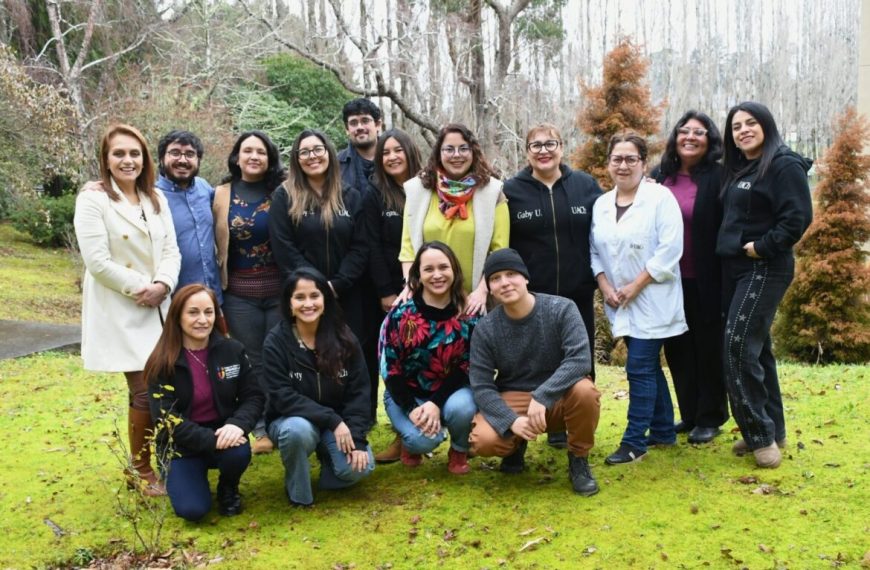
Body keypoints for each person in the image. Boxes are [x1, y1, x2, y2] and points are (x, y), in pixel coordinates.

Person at [74, 124, 181, 496]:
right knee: (143, 389)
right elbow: (97, 261)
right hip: (122, 308)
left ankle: (170, 458)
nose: (128, 160)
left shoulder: (156, 199)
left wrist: (164, 285)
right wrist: (143, 288)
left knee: (164, 386)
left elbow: (172, 250)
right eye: (119, 153)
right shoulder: (93, 200)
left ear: (145, 159)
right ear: (105, 159)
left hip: (159, 308)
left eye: (134, 153)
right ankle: (142, 470)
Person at [717, 101, 812, 469]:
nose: (743, 130)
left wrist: (762, 247)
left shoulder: (783, 165)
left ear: (767, 126)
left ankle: (759, 435)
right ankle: (774, 429)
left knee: (737, 347)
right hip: (737, 269)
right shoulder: (741, 167)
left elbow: (797, 218)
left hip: (764, 266)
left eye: (750, 123)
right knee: (758, 349)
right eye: (736, 126)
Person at [468, 248, 602, 496]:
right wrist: (511, 421)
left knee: (585, 391)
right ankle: (515, 445)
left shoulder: (561, 309)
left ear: (525, 278)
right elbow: (481, 385)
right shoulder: (486, 329)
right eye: (495, 278)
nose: (505, 283)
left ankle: (579, 459)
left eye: (511, 274)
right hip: (515, 395)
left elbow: (580, 360)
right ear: (490, 287)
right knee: (484, 441)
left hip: (560, 394)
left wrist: (543, 396)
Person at [503, 123, 603, 449]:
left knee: (579, 361)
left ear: (562, 147)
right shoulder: (512, 191)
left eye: (550, 144)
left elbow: (613, 219)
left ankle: (571, 428)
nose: (544, 150)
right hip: (534, 299)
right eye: (536, 145)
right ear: (527, 151)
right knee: (536, 362)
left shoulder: (586, 186)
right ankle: (525, 432)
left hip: (578, 295)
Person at [590, 131, 687, 465]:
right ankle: (662, 430)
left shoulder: (660, 199)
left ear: (644, 163)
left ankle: (634, 442)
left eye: (631, 158)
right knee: (647, 367)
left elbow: (670, 251)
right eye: (617, 158)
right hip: (619, 301)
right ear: (608, 164)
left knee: (639, 367)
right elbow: (594, 251)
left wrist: (636, 285)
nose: (623, 165)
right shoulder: (602, 204)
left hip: (652, 299)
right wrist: (604, 286)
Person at [145, 285, 264, 521]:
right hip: (182, 446)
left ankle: (228, 488)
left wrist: (237, 425)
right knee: (193, 510)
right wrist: (212, 441)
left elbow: (254, 396)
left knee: (239, 452)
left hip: (224, 434)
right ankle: (183, 476)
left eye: (208, 312)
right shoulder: (162, 361)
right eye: (193, 313)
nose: (202, 320)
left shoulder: (232, 350)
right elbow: (166, 418)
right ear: (177, 316)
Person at [263, 268, 375, 507]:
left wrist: (357, 439)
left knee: (359, 469)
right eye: (299, 297)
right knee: (297, 431)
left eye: (314, 296)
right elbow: (282, 397)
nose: (308, 304)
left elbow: (360, 393)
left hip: (338, 425)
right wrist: (333, 420)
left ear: (325, 299)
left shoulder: (344, 338)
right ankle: (299, 494)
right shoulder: (276, 341)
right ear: (289, 303)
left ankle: (328, 462)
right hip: (292, 420)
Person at [653, 111, 729, 444]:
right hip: (667, 280)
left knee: (707, 347)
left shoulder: (718, 176)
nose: (690, 137)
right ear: (675, 137)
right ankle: (690, 414)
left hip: (705, 278)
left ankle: (711, 416)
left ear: (710, 140)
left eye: (699, 132)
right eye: (684, 131)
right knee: (678, 348)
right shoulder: (660, 175)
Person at [213, 130, 286, 455]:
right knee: (251, 361)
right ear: (237, 157)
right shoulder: (219, 194)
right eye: (248, 151)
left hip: (281, 291)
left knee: (280, 358)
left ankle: (283, 423)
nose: (254, 156)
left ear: (269, 158)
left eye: (261, 151)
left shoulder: (284, 191)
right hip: (239, 294)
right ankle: (260, 429)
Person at [379, 242, 478, 474]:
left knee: (463, 408)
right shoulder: (402, 314)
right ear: (418, 275)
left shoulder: (468, 315)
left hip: (451, 394)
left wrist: (436, 402)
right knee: (423, 441)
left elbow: (467, 367)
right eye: (428, 269)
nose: (437, 275)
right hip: (406, 394)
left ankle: (459, 449)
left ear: (454, 270)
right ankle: (410, 443)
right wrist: (412, 408)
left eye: (443, 267)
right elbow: (390, 369)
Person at [268, 129, 368, 344]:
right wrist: (315, 287)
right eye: (304, 152)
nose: (312, 156)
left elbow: (361, 246)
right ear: (296, 159)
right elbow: (284, 248)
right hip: (303, 299)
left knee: (350, 359)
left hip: (346, 295)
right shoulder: (283, 196)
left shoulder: (350, 195)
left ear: (329, 153)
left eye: (317, 149)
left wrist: (337, 284)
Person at [399, 123, 509, 316]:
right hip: (429, 301)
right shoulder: (418, 190)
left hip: (475, 303)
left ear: (473, 151)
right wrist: (410, 283)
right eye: (449, 149)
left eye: (463, 148)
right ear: (438, 153)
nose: (456, 155)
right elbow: (407, 248)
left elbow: (499, 251)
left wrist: (482, 291)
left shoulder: (492, 192)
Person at [363, 128, 424, 463]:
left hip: (427, 290)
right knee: (395, 365)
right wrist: (388, 291)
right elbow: (371, 245)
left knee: (422, 363)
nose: (391, 157)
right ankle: (403, 434)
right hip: (391, 294)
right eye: (385, 152)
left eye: (397, 150)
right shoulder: (375, 194)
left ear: (410, 152)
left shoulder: (427, 189)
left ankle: (422, 430)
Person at [155, 130, 223, 302]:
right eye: (175, 153)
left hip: (212, 296)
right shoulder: (150, 196)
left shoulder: (204, 187)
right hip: (173, 299)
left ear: (198, 160)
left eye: (190, 154)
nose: (183, 160)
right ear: (162, 158)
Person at [338, 98, 383, 195]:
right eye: (353, 123)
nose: (359, 127)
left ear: (378, 125)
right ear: (347, 129)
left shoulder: (395, 158)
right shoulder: (336, 165)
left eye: (365, 121)